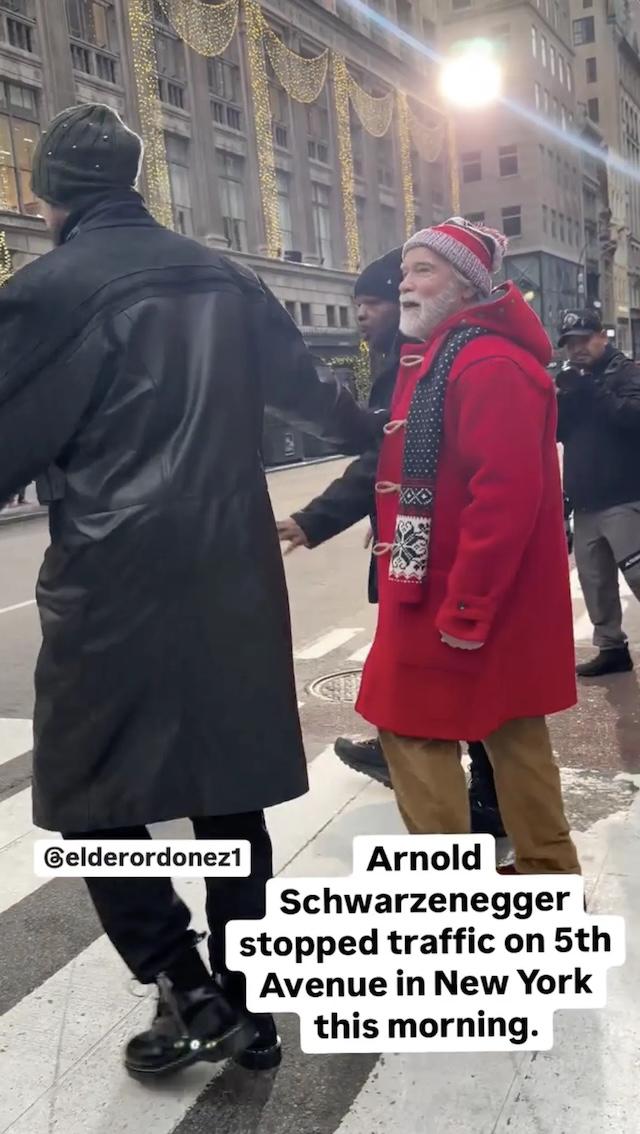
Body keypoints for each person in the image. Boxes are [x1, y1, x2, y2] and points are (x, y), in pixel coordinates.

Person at [0, 104, 384, 1078]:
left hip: (110, 583)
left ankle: (186, 982)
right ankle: (247, 1001)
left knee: (91, 792)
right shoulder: (227, 278)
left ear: (52, 194)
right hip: (231, 574)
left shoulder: (45, 291)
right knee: (229, 787)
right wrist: (391, 429)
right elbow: (316, 401)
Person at [355, 217, 581, 876]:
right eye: (405, 272)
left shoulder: (484, 363)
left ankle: (450, 886)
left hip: (458, 592)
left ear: (466, 285)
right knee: (510, 725)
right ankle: (547, 873)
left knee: (410, 726)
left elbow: (505, 497)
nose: (405, 284)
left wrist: (468, 605)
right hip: (455, 586)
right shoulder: (456, 354)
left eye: (423, 271)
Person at [277, 249, 505, 837]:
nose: (364, 314)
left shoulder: (429, 358)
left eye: (373, 302)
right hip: (412, 537)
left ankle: (478, 796)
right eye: (360, 303)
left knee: (435, 662)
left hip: (430, 547)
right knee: (411, 656)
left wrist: (315, 518)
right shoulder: (409, 356)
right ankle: (424, 756)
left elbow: (390, 456)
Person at [556, 309, 640, 677]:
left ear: (602, 336)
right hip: (586, 502)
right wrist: (561, 400)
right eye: (570, 343)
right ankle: (611, 649)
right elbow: (559, 434)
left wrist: (591, 390)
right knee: (595, 582)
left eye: (584, 339)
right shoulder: (575, 382)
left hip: (625, 496)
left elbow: (632, 417)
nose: (577, 348)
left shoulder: (626, 373)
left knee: (638, 576)